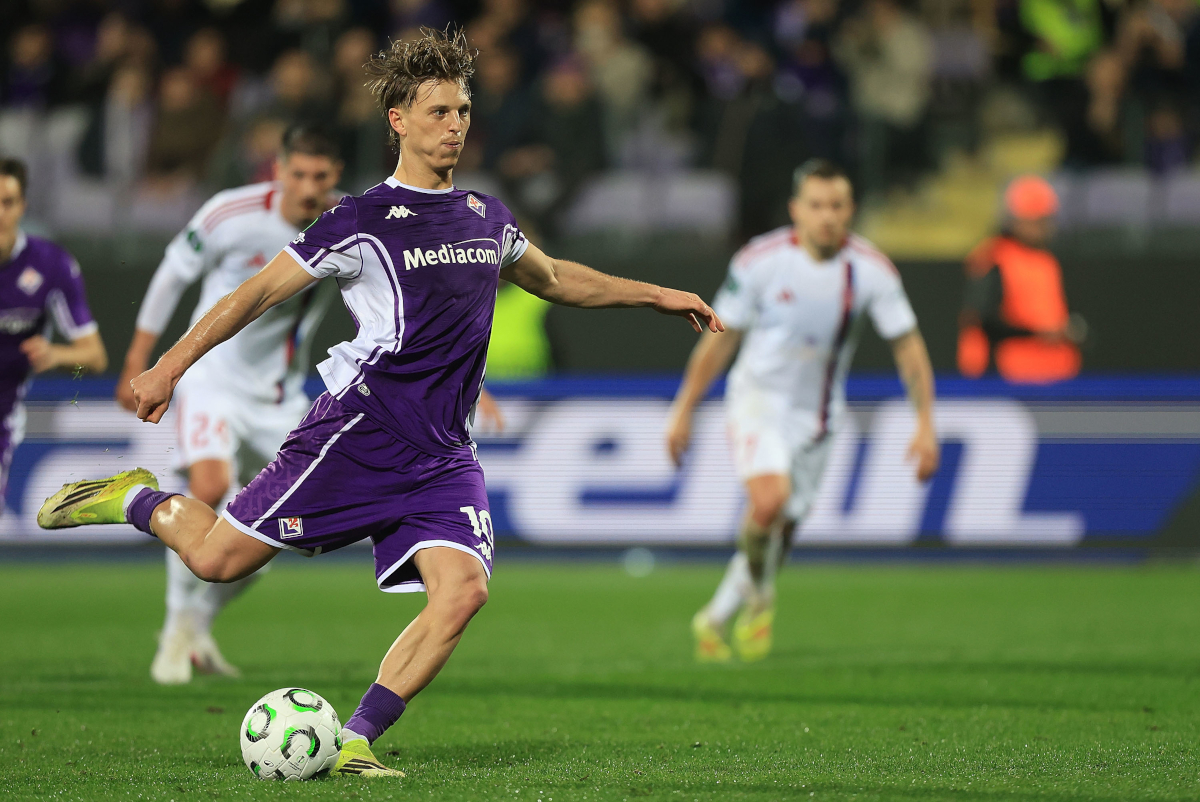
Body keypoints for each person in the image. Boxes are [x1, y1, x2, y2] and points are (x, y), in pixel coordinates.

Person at [38, 28, 721, 778]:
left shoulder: (485, 217)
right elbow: (256, 292)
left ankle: (357, 740)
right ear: (398, 119)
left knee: (462, 594)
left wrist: (656, 294)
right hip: (358, 435)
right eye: (437, 111)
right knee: (217, 560)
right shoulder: (361, 219)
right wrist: (167, 365)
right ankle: (135, 498)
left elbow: (556, 279)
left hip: (443, 454)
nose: (454, 124)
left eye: (462, 110)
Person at [665, 159, 938, 663]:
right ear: (796, 210)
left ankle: (716, 617)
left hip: (819, 414)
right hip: (758, 399)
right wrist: (684, 409)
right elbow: (720, 343)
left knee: (784, 525)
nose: (827, 216)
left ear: (850, 209)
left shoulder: (872, 270)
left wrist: (925, 425)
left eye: (837, 206)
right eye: (816, 205)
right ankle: (763, 597)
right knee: (769, 502)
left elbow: (908, 347)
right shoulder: (760, 261)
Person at [116, 124, 344, 685]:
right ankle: (173, 635)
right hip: (211, 380)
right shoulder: (230, 213)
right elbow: (173, 275)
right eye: (298, 173)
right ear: (278, 169)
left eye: (321, 176)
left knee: (289, 528)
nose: (308, 187)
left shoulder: (346, 227)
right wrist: (139, 358)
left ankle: (197, 625)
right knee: (212, 488)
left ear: (335, 177)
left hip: (279, 400)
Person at [0, 158, 107, 506]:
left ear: (22, 207)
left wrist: (54, 353)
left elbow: (94, 356)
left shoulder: (50, 265)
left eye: (7, 203)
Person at [957, 175, 1086, 384]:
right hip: (1009, 378)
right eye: (1038, 221)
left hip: (1056, 374)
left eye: (1047, 220)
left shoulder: (1047, 261)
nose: (1045, 228)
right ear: (1015, 220)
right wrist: (1037, 333)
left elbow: (1054, 313)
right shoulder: (993, 258)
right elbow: (983, 320)